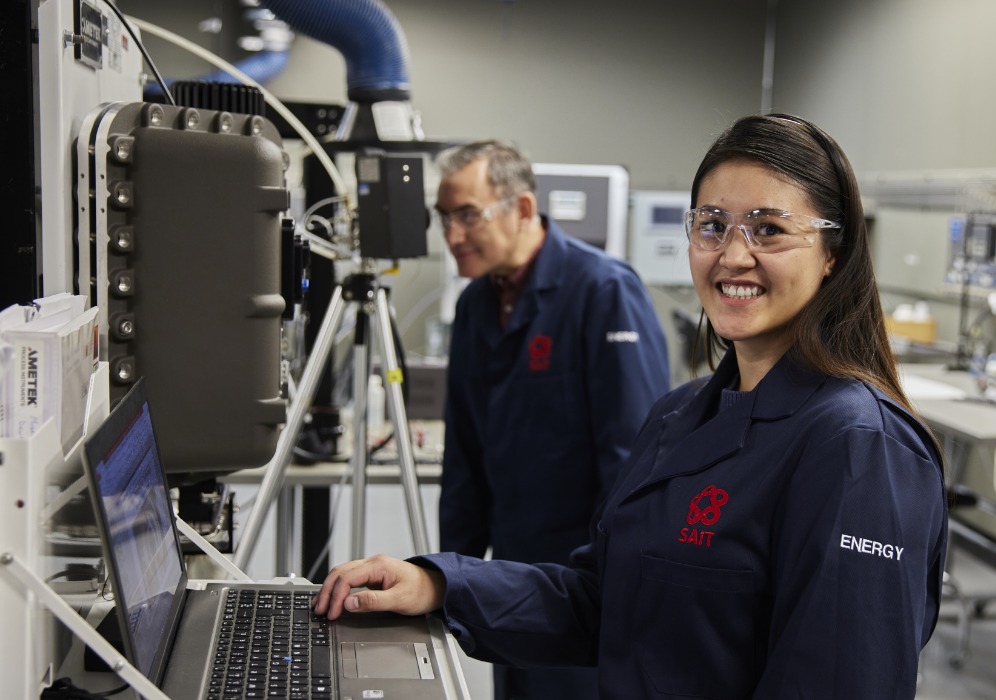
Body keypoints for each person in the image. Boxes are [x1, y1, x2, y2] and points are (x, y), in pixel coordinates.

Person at [316, 115, 948, 699]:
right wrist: (441, 583)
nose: (733, 254)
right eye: (712, 225)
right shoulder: (682, 415)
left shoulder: (859, 445)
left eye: (770, 229)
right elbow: (603, 601)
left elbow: (840, 682)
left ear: (833, 253)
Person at [430, 140, 671, 699]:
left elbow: (631, 466)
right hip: (507, 581)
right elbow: (464, 458)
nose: (451, 235)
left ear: (520, 208)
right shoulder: (475, 306)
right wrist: (448, 577)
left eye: (468, 215)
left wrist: (615, 589)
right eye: (443, 217)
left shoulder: (604, 292)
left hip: (581, 588)